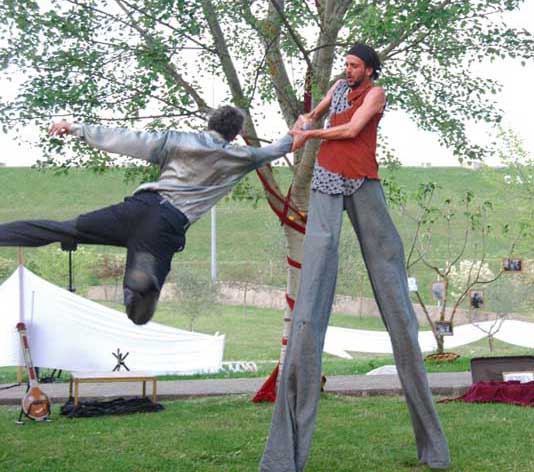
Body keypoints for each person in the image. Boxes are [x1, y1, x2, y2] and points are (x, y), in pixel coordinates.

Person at [260, 44, 451, 471]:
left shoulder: (375, 94)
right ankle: (284, 455)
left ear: (370, 69)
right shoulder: (339, 86)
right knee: (311, 298)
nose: (348, 71)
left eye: (354, 66)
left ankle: (433, 449)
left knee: (392, 285)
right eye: (346, 65)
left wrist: (310, 135)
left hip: (363, 182)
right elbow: (319, 111)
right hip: (327, 182)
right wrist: (303, 120)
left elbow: (349, 132)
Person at [0, 106, 293, 325]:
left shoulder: (176, 140)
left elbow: (127, 139)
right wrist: (300, 129)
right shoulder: (241, 157)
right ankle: (142, 280)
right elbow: (279, 148)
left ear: (209, 124)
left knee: (63, 229)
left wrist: (76, 128)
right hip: (164, 227)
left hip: (136, 208)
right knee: (140, 309)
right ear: (235, 134)